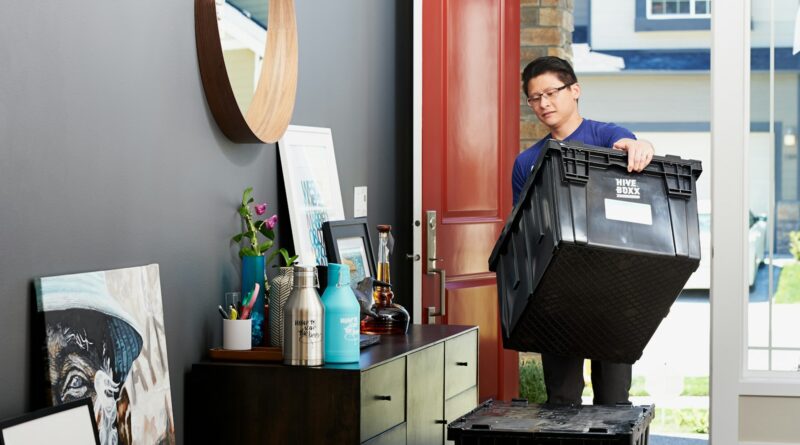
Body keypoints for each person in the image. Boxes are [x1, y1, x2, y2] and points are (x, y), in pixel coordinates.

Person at [513, 56, 656, 406]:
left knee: (613, 399)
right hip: (557, 294)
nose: (543, 103)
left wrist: (640, 147)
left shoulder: (605, 136)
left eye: (551, 92)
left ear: (574, 90)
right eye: (534, 97)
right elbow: (523, 232)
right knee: (561, 399)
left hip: (614, 291)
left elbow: (631, 145)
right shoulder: (526, 162)